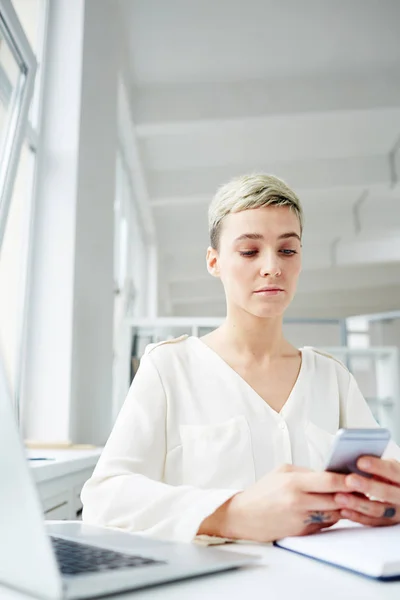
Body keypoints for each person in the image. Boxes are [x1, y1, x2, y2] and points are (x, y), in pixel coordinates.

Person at [81, 174, 400, 544]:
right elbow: (105, 498)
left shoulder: (333, 378)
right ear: (214, 262)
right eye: (249, 251)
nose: (272, 267)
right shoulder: (170, 368)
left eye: (287, 250)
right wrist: (231, 513)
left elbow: (391, 473)